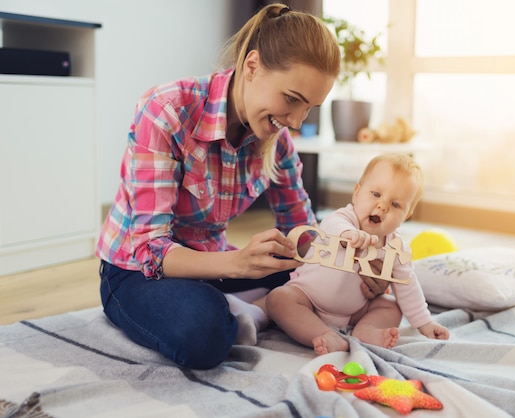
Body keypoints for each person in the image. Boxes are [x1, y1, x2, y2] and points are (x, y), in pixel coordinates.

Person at [96, 3, 388, 370]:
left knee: (332, 280)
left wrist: (352, 267)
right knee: (202, 335)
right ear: (252, 66)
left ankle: (252, 307)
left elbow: (304, 230)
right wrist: (238, 263)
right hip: (136, 271)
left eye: (309, 108)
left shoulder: (276, 138)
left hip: (215, 264)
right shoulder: (167, 109)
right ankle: (252, 308)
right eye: (292, 100)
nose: (296, 121)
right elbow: (151, 250)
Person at [266, 153, 450, 355]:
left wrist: (425, 323)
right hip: (308, 299)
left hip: (355, 311)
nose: (382, 206)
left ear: (405, 216)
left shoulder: (397, 247)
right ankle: (325, 334)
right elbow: (331, 225)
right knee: (279, 299)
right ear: (356, 193)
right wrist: (349, 234)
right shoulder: (343, 219)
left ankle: (366, 332)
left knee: (391, 306)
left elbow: (407, 286)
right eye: (376, 194)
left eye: (396, 204)